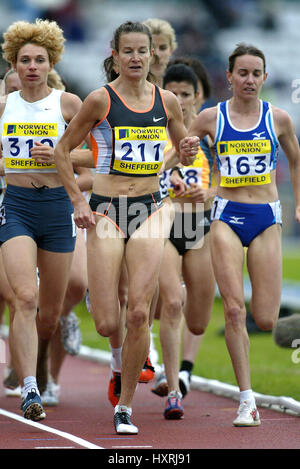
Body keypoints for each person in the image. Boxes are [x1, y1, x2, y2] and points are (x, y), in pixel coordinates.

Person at [54, 20, 198, 435]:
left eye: (143, 51)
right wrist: (79, 201)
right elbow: (64, 152)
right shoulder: (100, 100)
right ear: (114, 55)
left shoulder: (167, 100)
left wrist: (186, 150)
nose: (136, 58)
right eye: (128, 51)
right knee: (105, 320)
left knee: (138, 310)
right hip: (105, 211)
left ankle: (125, 406)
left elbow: (183, 153)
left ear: (153, 55)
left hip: (150, 209)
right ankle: (118, 361)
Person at [183, 43, 300, 426]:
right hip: (225, 216)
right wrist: (183, 154)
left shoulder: (279, 118)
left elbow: (295, 159)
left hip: (266, 216)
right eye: (242, 73)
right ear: (229, 77)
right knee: (234, 309)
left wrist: (297, 204)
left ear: (265, 78)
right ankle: (246, 400)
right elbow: (179, 149)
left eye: (256, 73)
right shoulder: (210, 118)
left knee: (265, 319)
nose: (249, 79)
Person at [0, 18, 82, 421]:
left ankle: (42, 352)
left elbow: (102, 154)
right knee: (24, 298)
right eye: (24, 60)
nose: (31, 67)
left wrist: (61, 156)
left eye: (39, 60)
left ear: (52, 64)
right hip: (16, 206)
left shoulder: (69, 105)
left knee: (48, 313)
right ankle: (30, 388)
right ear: (13, 65)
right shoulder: (3, 107)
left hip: (56, 209)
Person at [151, 63, 216, 419]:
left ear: (197, 97)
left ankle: (177, 367)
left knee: (198, 322)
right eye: (171, 93)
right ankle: (173, 389)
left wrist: (207, 193)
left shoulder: (210, 134)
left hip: (200, 228)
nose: (179, 100)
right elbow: (144, 175)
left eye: (186, 94)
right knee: (173, 303)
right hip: (164, 227)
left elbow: (226, 180)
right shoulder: (155, 131)